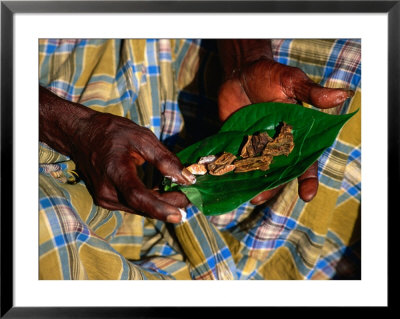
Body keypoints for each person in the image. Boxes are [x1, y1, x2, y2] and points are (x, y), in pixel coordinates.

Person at [39, 39, 361, 280]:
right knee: (43, 229)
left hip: (186, 61)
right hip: (63, 104)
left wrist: (244, 58)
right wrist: (75, 127)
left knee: (358, 71)